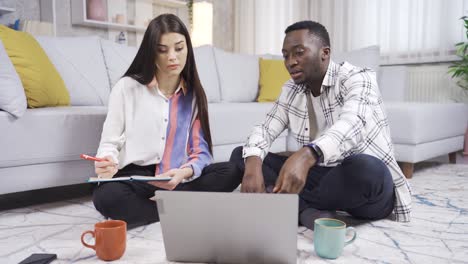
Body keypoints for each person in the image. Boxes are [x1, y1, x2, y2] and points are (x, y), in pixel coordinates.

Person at [230, 20, 412, 229]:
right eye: (286, 55)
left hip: (362, 186)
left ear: (324, 53)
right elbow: (265, 129)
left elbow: (351, 124)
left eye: (299, 52)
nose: (291, 62)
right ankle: (309, 211)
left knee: (369, 170)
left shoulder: (359, 78)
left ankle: (295, 205)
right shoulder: (291, 89)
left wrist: (307, 155)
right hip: (324, 178)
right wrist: (253, 165)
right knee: (242, 156)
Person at [92, 14, 241, 228]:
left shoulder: (194, 95)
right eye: (162, 50)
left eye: (179, 48)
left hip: (176, 176)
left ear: (187, 49)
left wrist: (184, 172)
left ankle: (160, 209)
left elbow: (201, 152)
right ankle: (182, 208)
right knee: (107, 197)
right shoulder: (126, 88)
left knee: (231, 171)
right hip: (136, 177)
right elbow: (109, 142)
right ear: (151, 53)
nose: (172, 57)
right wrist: (105, 161)